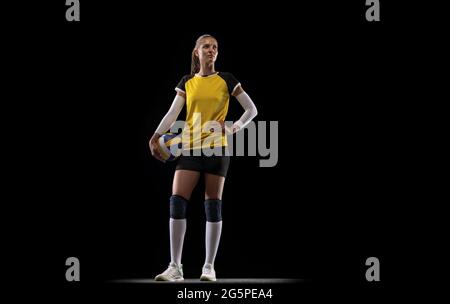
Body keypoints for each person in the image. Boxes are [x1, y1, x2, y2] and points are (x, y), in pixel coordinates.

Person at [149, 34, 257, 281]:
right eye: (206, 46)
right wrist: (156, 136)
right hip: (189, 148)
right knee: (177, 201)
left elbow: (252, 109)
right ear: (196, 52)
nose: (211, 50)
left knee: (212, 205)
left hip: (216, 149)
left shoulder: (227, 80)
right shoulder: (187, 81)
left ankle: (209, 266)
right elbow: (171, 113)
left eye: (215, 47)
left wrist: (233, 127)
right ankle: (175, 266)